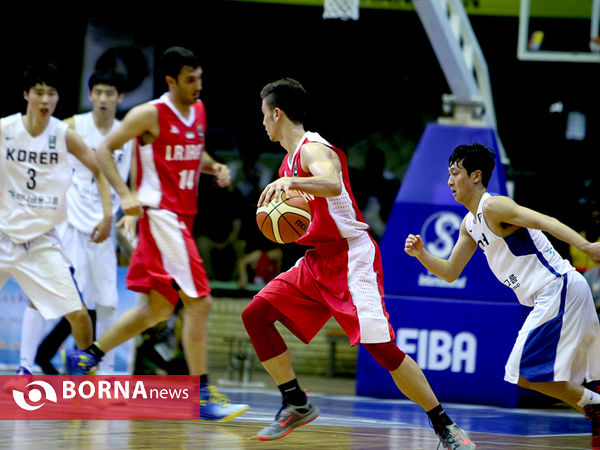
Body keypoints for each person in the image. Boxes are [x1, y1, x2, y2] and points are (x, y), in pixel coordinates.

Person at [240, 78, 475, 449]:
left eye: (264, 115)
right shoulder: (289, 160)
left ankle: (445, 426)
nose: (263, 122)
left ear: (277, 113)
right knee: (255, 314)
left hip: (352, 256)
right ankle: (295, 401)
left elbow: (332, 184)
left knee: (382, 349)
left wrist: (289, 183)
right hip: (317, 260)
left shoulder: (313, 149)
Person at [63, 46, 249, 422]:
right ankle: (202, 395)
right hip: (163, 216)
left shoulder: (198, 109)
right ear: (170, 81)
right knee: (200, 303)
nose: (198, 86)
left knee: (159, 309)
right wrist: (126, 193)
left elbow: (194, 152)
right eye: (190, 80)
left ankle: (87, 356)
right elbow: (104, 149)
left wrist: (215, 168)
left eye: (200, 78)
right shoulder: (148, 114)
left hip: (182, 217)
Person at [404, 143, 600, 450]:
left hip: (558, 288)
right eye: (449, 174)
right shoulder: (469, 224)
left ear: (476, 176)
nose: (449, 181)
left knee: (523, 370)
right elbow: (451, 271)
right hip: (552, 295)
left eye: (455, 173)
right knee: (583, 371)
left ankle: (593, 405)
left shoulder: (494, 207)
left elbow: (545, 221)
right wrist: (422, 255)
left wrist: (586, 247)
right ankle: (595, 408)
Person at [0, 62, 112, 380]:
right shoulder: (5, 129)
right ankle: (25, 366)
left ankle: (84, 381)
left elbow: (99, 169)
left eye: (51, 93)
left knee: (79, 316)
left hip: (41, 241)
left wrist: (107, 214)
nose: (46, 100)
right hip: (3, 235)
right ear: (26, 95)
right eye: (39, 93)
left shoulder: (63, 134)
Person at [32, 70, 134, 375]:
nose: (103, 98)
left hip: (104, 227)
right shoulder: (73, 126)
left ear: (121, 98)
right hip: (69, 223)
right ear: (90, 95)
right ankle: (31, 361)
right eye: (98, 92)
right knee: (62, 297)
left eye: (110, 93)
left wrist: (128, 213)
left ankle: (101, 371)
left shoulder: (127, 134)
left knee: (105, 302)